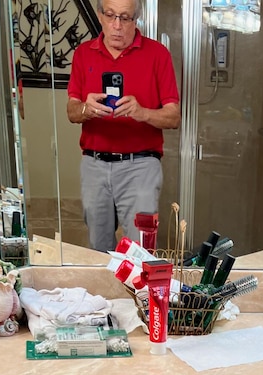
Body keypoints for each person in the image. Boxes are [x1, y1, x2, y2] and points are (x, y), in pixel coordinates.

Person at [66, 0, 180, 252]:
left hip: (141, 166)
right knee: (98, 247)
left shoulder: (158, 54)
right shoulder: (83, 54)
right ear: (100, 15)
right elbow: (72, 112)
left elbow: (173, 117)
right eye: (110, 15)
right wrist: (87, 109)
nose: (117, 25)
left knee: (141, 250)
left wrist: (142, 113)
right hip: (94, 165)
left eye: (125, 18)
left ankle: (139, 292)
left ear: (136, 19)